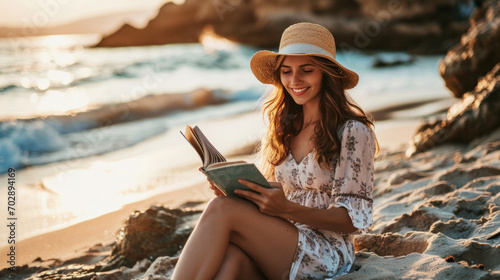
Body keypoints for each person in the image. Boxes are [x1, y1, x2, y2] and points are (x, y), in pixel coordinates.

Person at [172, 22, 378, 280]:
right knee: (229, 262)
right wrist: (237, 190)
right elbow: (274, 192)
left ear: (326, 74)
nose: (295, 80)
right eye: (286, 71)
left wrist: (287, 209)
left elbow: (353, 220)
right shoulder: (283, 127)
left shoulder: (352, 131)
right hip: (280, 238)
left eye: (306, 70)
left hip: (325, 252)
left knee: (221, 210)